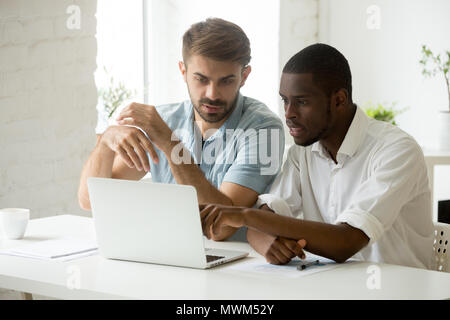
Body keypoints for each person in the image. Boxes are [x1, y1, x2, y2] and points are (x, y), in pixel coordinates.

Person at [200, 43, 434, 269]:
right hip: (329, 287)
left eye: (302, 102)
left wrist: (244, 216)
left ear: (339, 100)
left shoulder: (397, 150)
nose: (289, 114)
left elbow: (346, 242)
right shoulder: (301, 152)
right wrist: (268, 241)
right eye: (285, 101)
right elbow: (266, 218)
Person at [78, 18, 285, 241]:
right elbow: (90, 201)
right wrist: (106, 143)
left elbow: (222, 228)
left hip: (239, 264)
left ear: (244, 76)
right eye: (201, 79)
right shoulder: (164, 119)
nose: (212, 94)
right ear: (183, 71)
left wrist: (169, 142)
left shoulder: (265, 130)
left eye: (226, 81)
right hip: (172, 254)